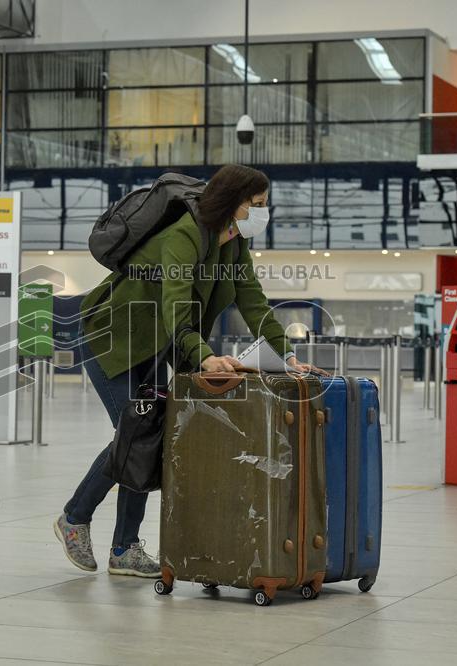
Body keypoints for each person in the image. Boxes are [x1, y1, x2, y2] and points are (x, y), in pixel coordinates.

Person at [54, 164, 327, 578]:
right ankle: (75, 517)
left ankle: (124, 548)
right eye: (256, 204)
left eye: (265, 204)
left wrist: (287, 356)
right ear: (232, 203)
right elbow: (176, 307)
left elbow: (253, 300)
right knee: (137, 433)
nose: (263, 212)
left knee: (151, 439)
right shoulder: (182, 236)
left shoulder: (233, 245)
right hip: (116, 338)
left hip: (158, 343)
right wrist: (203, 356)